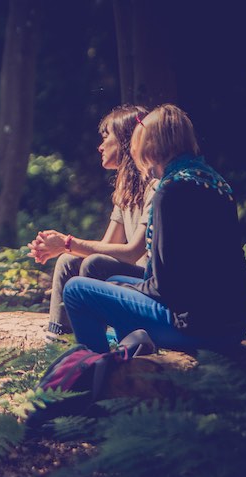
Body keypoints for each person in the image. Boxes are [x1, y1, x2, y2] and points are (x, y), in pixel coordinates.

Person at [62, 104, 246, 353]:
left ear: (150, 145)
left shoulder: (171, 191)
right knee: (113, 280)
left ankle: (99, 369)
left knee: (77, 290)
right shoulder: (215, 183)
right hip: (233, 324)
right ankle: (131, 354)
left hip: (194, 328)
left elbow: (165, 288)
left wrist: (124, 290)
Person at [28, 105, 155, 340]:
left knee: (94, 263)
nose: (100, 145)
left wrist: (67, 242)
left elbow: (131, 252)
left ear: (127, 141)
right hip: (131, 272)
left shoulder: (154, 186)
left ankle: (92, 342)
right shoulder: (125, 188)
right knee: (69, 261)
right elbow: (109, 245)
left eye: (107, 137)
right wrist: (63, 248)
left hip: (149, 281)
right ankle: (59, 339)